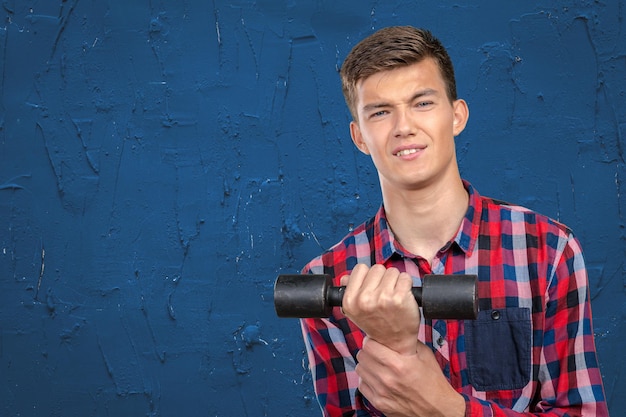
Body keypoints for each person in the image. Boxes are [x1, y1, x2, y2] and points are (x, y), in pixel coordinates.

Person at [299, 26, 609, 416]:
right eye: (380, 112)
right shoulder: (329, 281)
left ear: (456, 115)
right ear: (359, 136)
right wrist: (394, 346)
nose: (403, 126)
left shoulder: (548, 252)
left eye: (422, 103)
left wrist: (448, 409)